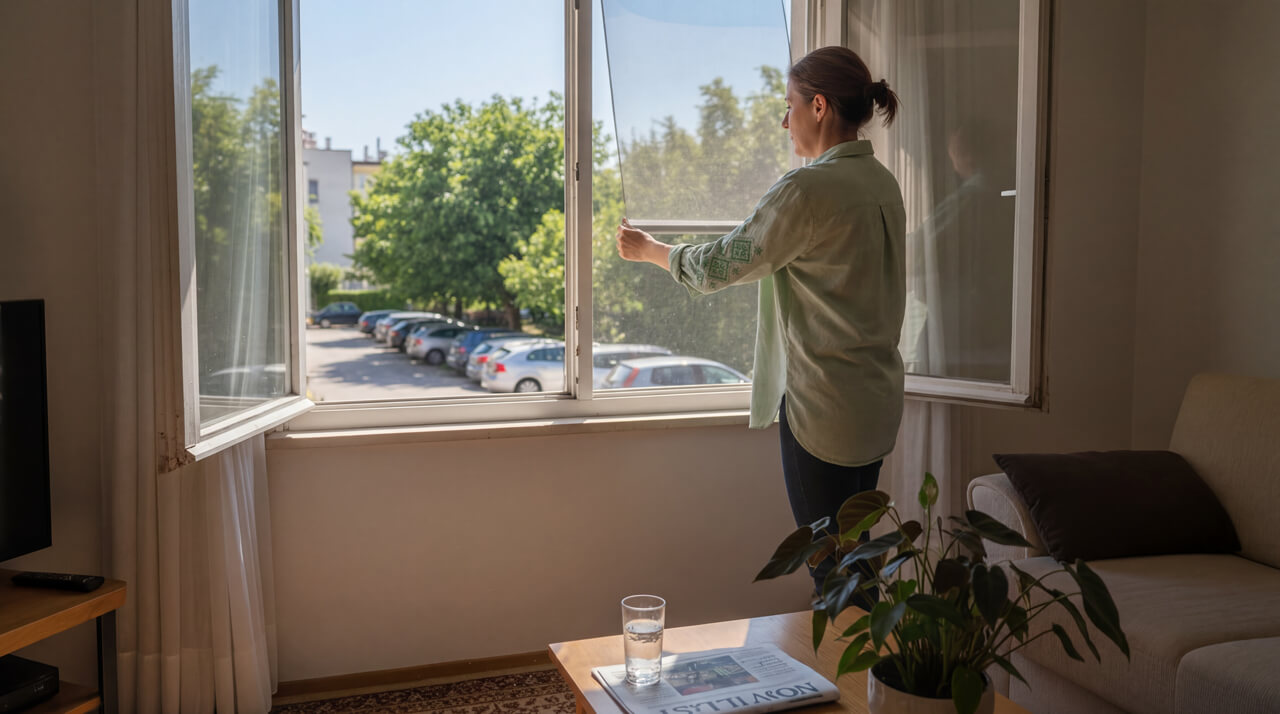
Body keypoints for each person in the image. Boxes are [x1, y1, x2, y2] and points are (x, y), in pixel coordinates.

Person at [615, 46, 906, 599]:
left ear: (818, 106)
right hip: (874, 401)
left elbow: (719, 265)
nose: (784, 120)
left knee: (835, 574)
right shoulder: (881, 183)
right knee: (857, 560)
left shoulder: (807, 190)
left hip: (823, 407)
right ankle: (879, 680)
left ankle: (858, 682)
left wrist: (651, 250)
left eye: (789, 105)